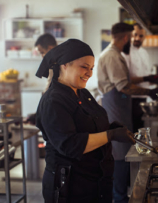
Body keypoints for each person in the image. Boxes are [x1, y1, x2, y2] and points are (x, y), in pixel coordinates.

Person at [35, 39, 136, 203]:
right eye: (84, 67)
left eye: (91, 68)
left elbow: (88, 125)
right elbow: (70, 144)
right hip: (70, 188)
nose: (89, 73)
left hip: (94, 184)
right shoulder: (53, 101)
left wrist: (110, 128)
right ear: (65, 65)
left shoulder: (82, 93)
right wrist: (110, 135)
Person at [97, 22, 158, 203]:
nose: (131, 41)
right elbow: (123, 86)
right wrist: (149, 91)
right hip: (114, 108)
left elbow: (125, 80)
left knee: (123, 150)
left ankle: (121, 195)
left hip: (119, 107)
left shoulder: (115, 55)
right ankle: (119, 197)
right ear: (125, 37)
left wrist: (147, 81)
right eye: (131, 37)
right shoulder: (112, 56)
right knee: (119, 152)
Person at [122, 23, 158, 132]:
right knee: (132, 131)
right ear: (130, 35)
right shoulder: (125, 53)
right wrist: (146, 78)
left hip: (143, 98)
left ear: (145, 37)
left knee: (141, 130)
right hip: (130, 100)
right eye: (135, 35)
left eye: (141, 36)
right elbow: (125, 80)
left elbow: (145, 77)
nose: (137, 38)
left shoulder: (144, 53)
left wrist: (154, 82)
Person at [25, 33, 57, 125]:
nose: (42, 56)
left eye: (42, 52)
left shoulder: (54, 62)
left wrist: (39, 112)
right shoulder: (65, 57)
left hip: (56, 104)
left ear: (50, 48)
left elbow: (50, 84)